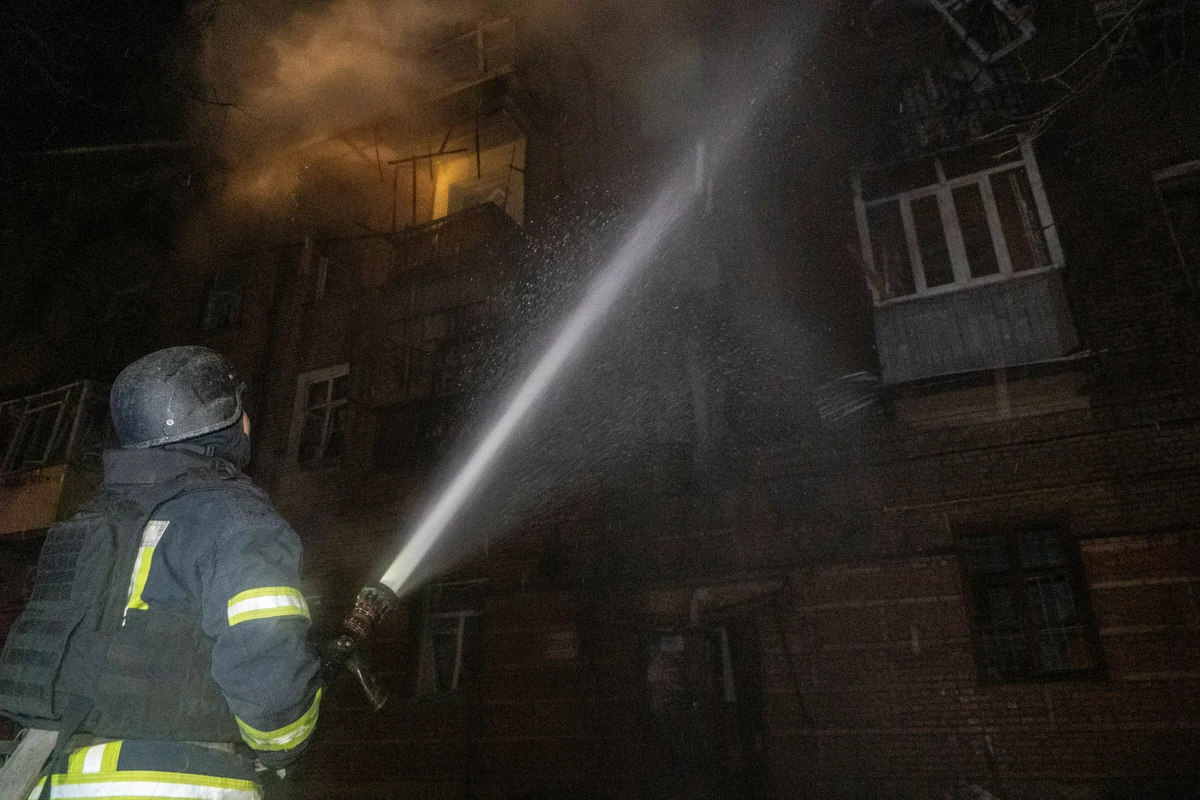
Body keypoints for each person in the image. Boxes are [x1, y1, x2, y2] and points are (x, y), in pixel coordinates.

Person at [0, 346, 322, 800]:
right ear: (220, 421)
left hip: (43, 775)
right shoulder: (239, 521)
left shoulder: (87, 522)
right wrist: (285, 747)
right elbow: (268, 672)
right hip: (173, 782)